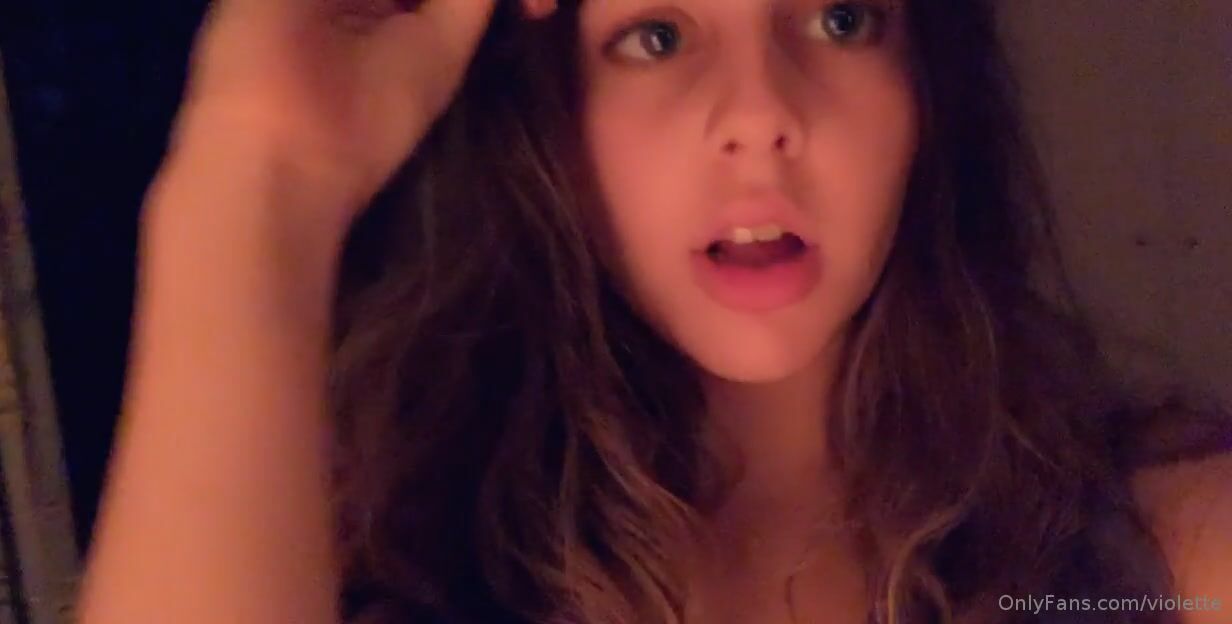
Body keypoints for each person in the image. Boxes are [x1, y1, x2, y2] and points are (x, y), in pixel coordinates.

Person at [76, 0, 1232, 623]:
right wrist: (260, 171)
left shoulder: (1147, 564)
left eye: (839, 19)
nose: (760, 115)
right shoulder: (378, 579)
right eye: (657, 36)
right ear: (539, 121)